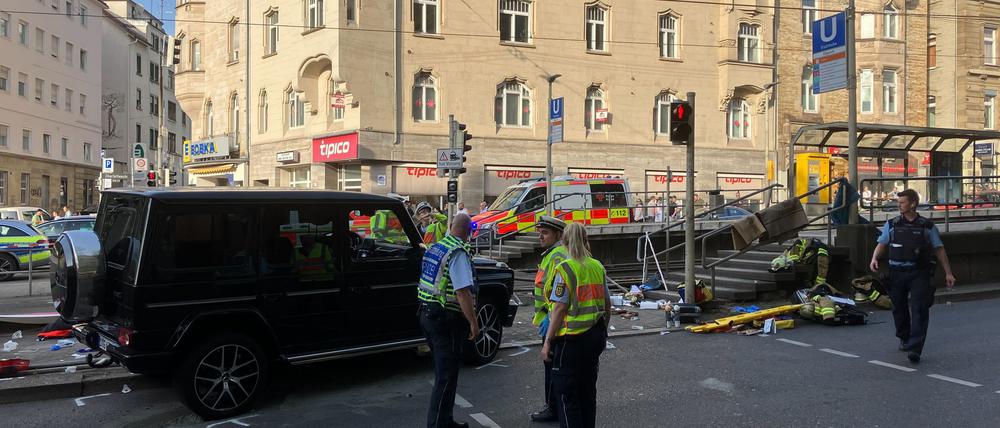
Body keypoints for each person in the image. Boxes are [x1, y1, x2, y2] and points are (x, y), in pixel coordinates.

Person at [869, 189, 955, 364]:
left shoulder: (927, 226)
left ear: (913, 204)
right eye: (898, 202)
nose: (898, 205)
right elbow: (882, 243)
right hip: (896, 272)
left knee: (919, 309)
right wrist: (874, 258)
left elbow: (939, 249)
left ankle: (915, 348)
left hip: (919, 273)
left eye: (902, 202)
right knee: (899, 309)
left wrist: (948, 272)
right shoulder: (892, 224)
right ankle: (904, 336)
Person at [541, 223, 611, 428]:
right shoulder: (597, 266)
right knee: (588, 393)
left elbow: (560, 308)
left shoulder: (565, 268)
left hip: (570, 340)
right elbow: (607, 304)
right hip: (594, 337)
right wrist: (603, 330)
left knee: (567, 396)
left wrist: (547, 342)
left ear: (565, 240)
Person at [417, 214, 480, 428]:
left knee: (443, 372)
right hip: (447, 319)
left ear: (451, 227)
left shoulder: (437, 247)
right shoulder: (458, 252)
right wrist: (473, 321)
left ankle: (445, 420)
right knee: (447, 375)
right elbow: (463, 292)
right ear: (469, 232)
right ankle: (438, 424)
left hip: (427, 314)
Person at [529, 216, 569, 423]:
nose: (540, 236)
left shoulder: (556, 256)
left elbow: (557, 291)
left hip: (552, 320)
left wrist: (550, 319)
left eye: (545, 233)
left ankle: (552, 408)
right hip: (548, 318)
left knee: (552, 368)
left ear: (558, 235)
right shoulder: (551, 254)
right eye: (539, 232)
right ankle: (553, 406)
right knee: (551, 367)